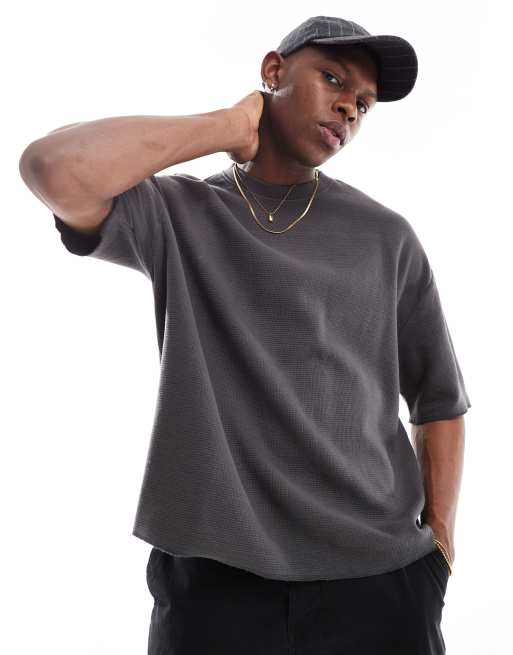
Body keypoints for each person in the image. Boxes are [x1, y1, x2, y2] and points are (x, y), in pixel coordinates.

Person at [19, 14, 471, 655]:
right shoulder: (179, 214)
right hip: (215, 585)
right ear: (273, 71)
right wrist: (227, 126)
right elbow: (52, 166)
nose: (349, 107)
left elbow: (440, 400)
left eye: (364, 103)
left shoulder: (385, 237)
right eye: (333, 79)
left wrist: (441, 546)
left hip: (380, 582)